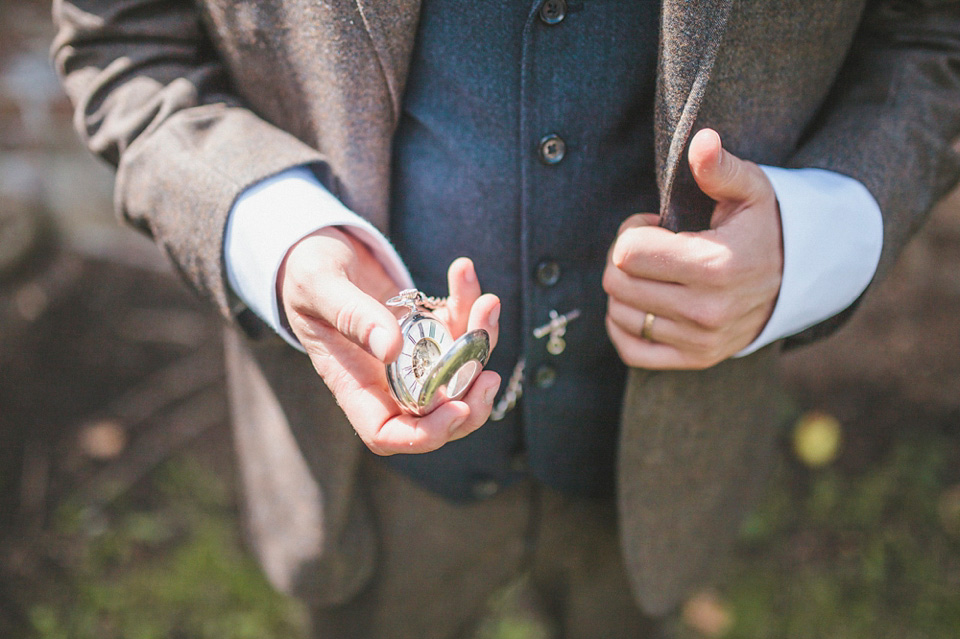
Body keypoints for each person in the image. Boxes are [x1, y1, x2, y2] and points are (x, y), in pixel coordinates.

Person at [52, 0, 960, 637]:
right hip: (360, 482)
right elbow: (122, 44)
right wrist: (279, 238)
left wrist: (811, 242)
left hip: (665, 463)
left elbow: (933, 35)